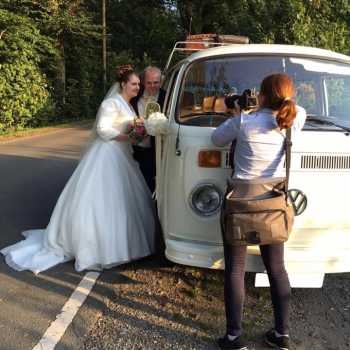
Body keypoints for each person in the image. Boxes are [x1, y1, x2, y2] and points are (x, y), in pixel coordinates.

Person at [1, 65, 156, 274]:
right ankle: (96, 248)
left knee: (124, 197)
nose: (138, 87)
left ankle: (125, 243)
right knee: (102, 199)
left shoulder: (128, 105)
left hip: (122, 154)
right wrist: (128, 137)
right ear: (123, 85)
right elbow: (102, 129)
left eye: (139, 84)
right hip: (108, 154)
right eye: (134, 84)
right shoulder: (112, 103)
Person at [211, 73, 307, 350]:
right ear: (288, 96)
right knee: (277, 269)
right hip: (273, 206)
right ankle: (282, 335)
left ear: (261, 95)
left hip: (240, 204)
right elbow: (298, 108)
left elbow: (218, 140)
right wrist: (282, 101)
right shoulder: (290, 122)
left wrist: (240, 110)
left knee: (235, 270)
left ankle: (233, 337)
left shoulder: (244, 121)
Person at [130, 66, 166, 194]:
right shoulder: (133, 97)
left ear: (161, 81)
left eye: (156, 82)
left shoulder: (168, 97)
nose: (152, 86)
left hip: (159, 152)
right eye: (148, 82)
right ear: (142, 82)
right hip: (136, 151)